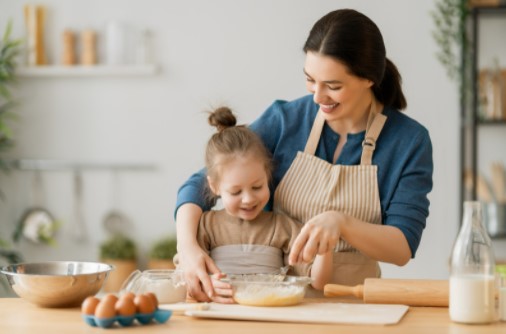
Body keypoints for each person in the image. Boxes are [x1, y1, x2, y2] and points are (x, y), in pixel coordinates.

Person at [175, 8, 433, 301]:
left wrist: (342, 223)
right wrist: (188, 249)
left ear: (369, 79)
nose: (317, 97)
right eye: (311, 80)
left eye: (333, 86)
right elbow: (202, 182)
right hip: (280, 302)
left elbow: (402, 247)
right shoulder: (286, 120)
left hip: (356, 302)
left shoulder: (408, 141)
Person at [176, 106, 332, 303]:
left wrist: (325, 249)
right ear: (214, 186)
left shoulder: (283, 227)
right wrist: (203, 284)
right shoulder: (206, 226)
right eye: (236, 192)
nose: (248, 199)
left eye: (257, 187)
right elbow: (184, 276)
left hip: (271, 318)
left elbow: (318, 282)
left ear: (267, 176)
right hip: (218, 317)